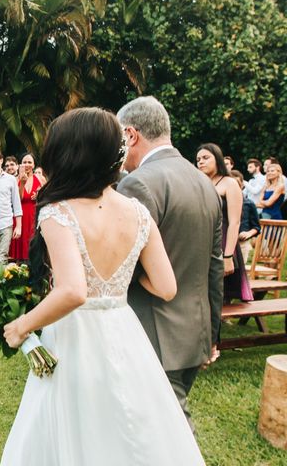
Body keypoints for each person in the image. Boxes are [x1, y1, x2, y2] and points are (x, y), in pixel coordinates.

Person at [1, 107, 203, 465]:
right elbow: (166, 286)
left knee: (75, 425)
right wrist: (119, 275)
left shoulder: (58, 213)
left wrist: (21, 326)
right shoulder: (138, 212)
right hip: (124, 329)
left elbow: (73, 291)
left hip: (75, 336)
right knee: (130, 426)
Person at [116, 96, 223, 432]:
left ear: (131, 135)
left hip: (155, 333)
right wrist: (212, 333)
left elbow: (124, 267)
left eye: (120, 139)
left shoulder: (138, 183)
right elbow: (214, 267)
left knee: (171, 431)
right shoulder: (205, 183)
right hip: (195, 331)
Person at [196, 144, 253, 303]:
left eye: (206, 158)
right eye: (198, 159)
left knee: (219, 292)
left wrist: (228, 256)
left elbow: (235, 222)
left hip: (224, 240)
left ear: (218, 159)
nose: (201, 162)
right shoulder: (201, 183)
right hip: (202, 241)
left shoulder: (229, 183)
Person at [9, 153, 43, 262]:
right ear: (20, 165)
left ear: (34, 165)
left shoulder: (40, 178)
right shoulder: (15, 180)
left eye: (29, 162)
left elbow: (47, 195)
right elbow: (18, 199)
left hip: (33, 215)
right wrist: (22, 184)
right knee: (20, 247)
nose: (27, 164)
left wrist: (39, 195)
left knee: (33, 243)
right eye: (24, 162)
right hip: (20, 216)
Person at [231, 170, 260, 262]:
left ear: (242, 186)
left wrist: (248, 233)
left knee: (239, 271)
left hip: (241, 243)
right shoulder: (220, 203)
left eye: (237, 184)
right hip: (223, 241)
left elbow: (256, 227)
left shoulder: (249, 203)